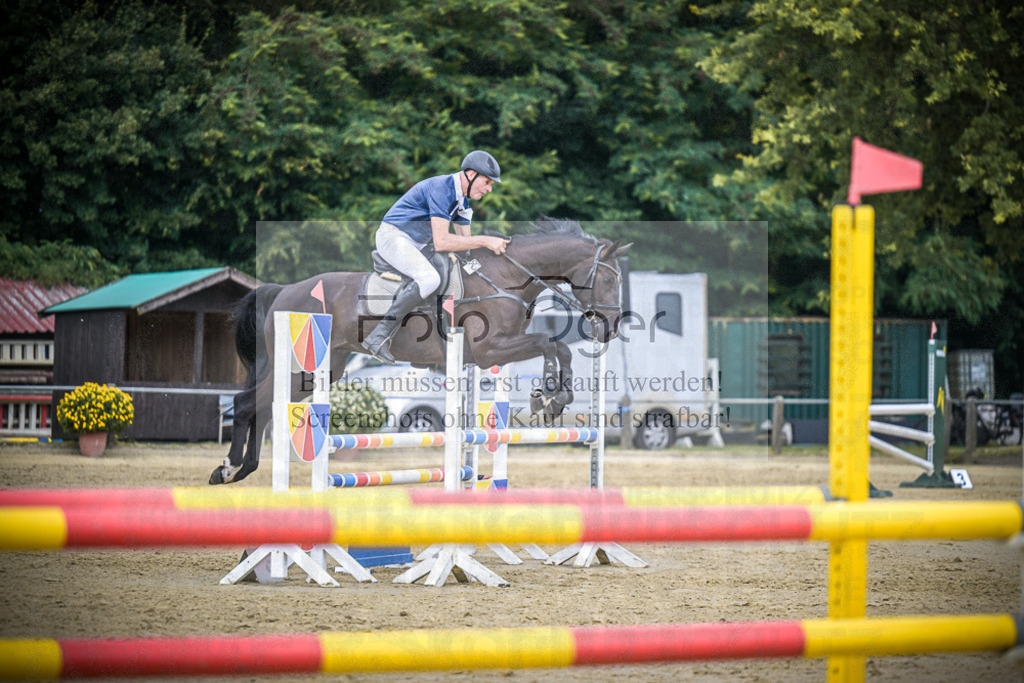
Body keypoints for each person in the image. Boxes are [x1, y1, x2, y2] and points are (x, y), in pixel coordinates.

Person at [362, 150, 510, 363]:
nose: (489, 189)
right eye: (486, 182)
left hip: (417, 243)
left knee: (449, 274)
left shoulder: (462, 201)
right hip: (394, 236)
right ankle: (379, 335)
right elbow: (442, 242)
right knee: (429, 279)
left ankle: (430, 352)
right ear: (470, 174)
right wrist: (486, 240)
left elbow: (463, 248)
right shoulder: (443, 189)